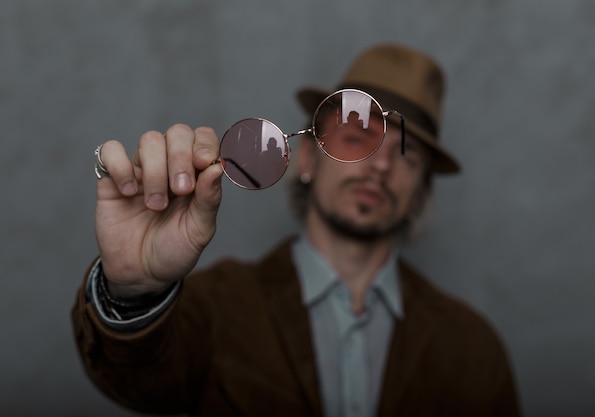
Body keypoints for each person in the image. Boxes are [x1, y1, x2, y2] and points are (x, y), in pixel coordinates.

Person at [72, 43, 521, 417]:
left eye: (405, 154)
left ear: (420, 190)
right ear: (307, 158)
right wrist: (134, 290)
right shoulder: (216, 307)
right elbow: (137, 379)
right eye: (357, 137)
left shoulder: (472, 350)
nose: (381, 165)